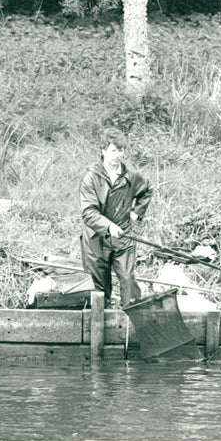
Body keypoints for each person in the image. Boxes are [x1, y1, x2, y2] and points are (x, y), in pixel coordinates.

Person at [80, 127, 153, 307]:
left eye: (121, 150)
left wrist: (136, 213)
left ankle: (132, 325)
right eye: (114, 150)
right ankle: (101, 327)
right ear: (103, 151)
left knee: (128, 281)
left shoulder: (132, 176)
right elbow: (88, 212)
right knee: (99, 289)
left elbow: (147, 190)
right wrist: (108, 227)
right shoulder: (91, 177)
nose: (118, 155)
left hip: (123, 238)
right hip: (96, 239)